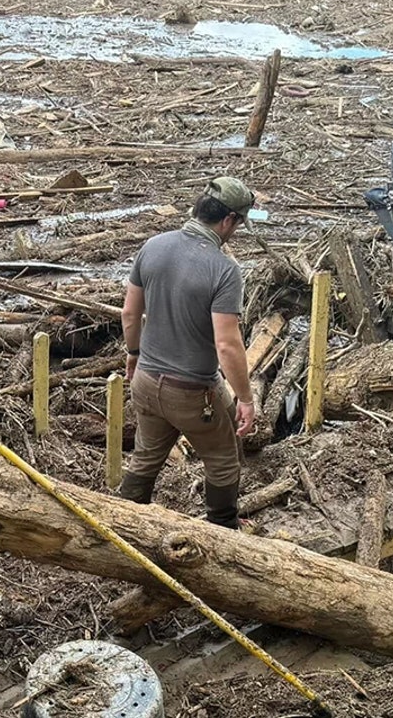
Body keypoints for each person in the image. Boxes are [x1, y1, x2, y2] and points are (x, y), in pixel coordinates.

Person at [119, 177, 257, 529]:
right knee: (223, 459)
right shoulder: (224, 270)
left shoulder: (152, 246)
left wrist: (134, 355)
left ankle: (124, 524)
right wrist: (245, 398)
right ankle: (222, 530)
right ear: (228, 220)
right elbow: (227, 344)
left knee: (146, 457)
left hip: (147, 382)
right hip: (194, 392)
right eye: (238, 224)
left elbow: (130, 314)